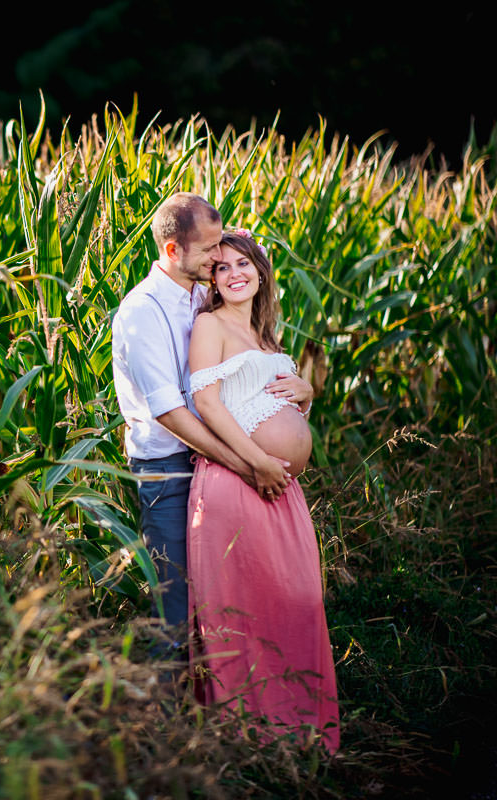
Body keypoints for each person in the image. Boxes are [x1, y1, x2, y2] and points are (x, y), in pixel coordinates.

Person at [111, 194, 306, 654]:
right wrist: (247, 464)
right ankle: (168, 719)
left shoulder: (204, 291)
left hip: (216, 462)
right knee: (176, 606)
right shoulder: (142, 312)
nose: (219, 258)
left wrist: (302, 390)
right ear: (173, 251)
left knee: (227, 599)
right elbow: (171, 412)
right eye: (209, 250)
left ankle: (217, 709)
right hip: (170, 469)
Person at [186, 229, 340, 752]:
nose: (233, 274)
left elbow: (279, 405)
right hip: (238, 481)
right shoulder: (210, 325)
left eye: (243, 264)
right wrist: (257, 465)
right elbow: (207, 403)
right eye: (222, 267)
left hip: (281, 489)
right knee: (244, 610)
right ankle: (249, 739)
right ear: (211, 279)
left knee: (296, 601)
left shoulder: (265, 335)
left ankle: (295, 730)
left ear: (260, 271)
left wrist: (309, 393)